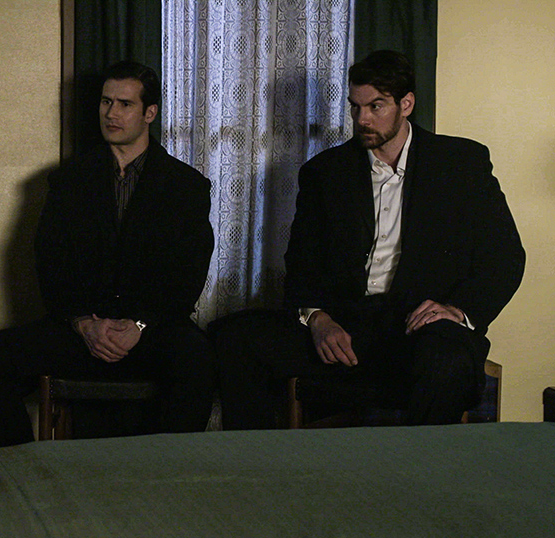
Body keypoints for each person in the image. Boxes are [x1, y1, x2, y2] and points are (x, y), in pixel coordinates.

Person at [213, 50, 525, 429]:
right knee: (235, 339)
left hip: (419, 326)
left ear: (406, 104)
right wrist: (317, 318)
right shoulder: (325, 172)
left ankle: (419, 465)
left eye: (376, 106)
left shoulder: (460, 163)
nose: (362, 119)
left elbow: (505, 256)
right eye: (355, 107)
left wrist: (458, 310)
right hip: (346, 326)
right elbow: (302, 261)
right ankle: (257, 461)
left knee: (448, 362)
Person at [0, 61, 215, 446]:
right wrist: (83, 324)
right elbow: (49, 263)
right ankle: (22, 465)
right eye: (105, 102)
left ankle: (168, 471)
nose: (111, 113)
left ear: (149, 113)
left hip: (151, 332)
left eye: (125, 104)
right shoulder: (68, 180)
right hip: (81, 331)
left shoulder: (186, 186)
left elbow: (188, 273)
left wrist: (139, 325)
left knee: (198, 358)